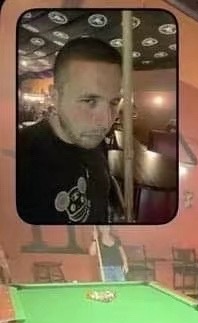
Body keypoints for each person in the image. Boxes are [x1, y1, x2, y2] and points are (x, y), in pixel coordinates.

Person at [17, 37, 122, 225]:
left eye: (114, 102)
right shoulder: (18, 160)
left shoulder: (95, 142)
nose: (105, 122)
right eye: (89, 101)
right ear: (55, 98)